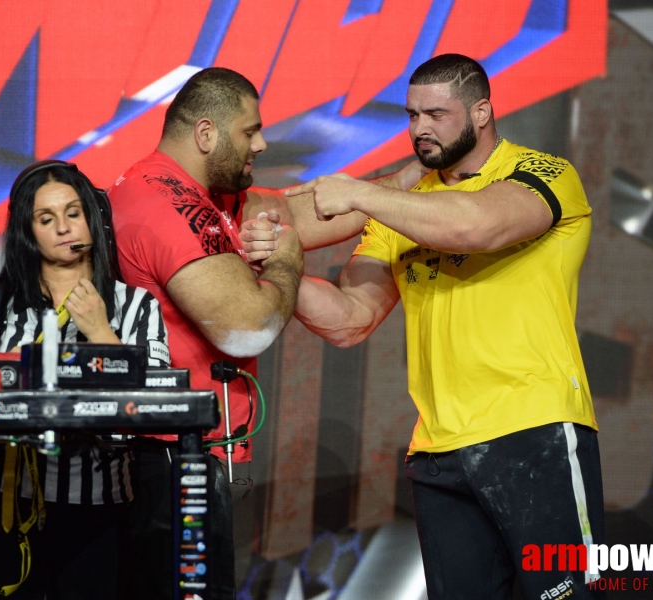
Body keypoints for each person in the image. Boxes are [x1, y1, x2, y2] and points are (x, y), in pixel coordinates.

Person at [277, 54, 605, 599]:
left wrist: (360, 193)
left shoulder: (543, 173)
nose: (419, 129)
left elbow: (472, 226)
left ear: (482, 111)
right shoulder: (402, 207)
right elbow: (349, 319)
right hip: (438, 451)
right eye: (411, 115)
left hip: (534, 432)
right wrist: (277, 271)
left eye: (435, 114)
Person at [108, 67, 423, 599]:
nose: (263, 142)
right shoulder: (162, 206)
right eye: (248, 132)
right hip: (166, 462)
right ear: (206, 134)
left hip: (190, 455)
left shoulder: (200, 195)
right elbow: (247, 328)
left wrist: (414, 180)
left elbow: (299, 211)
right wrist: (285, 261)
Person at [0, 160, 169, 599]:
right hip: (7, 506)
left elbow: (156, 408)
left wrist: (102, 334)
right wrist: (7, 374)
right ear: (27, 232)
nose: (65, 228)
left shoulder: (137, 306)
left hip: (100, 513)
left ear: (92, 216)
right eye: (46, 219)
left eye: (74, 213)